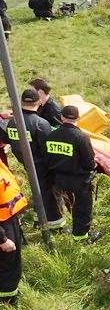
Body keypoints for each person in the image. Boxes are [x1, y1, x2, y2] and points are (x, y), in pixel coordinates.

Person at [0, 89, 64, 231]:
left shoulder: (12, 122)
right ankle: (55, 225)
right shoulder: (41, 123)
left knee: (37, 190)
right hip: (42, 165)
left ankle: (38, 218)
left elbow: (7, 139)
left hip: (26, 163)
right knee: (49, 194)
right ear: (39, 102)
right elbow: (48, 149)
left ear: (21, 102)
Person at [45, 105, 100, 243]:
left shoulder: (51, 136)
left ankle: (62, 227)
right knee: (82, 209)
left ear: (61, 117)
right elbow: (89, 163)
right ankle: (81, 238)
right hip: (79, 182)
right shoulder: (81, 137)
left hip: (58, 180)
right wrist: (95, 166)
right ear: (78, 118)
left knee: (68, 204)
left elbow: (48, 158)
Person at [0, 158, 29, 305]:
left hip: (8, 217)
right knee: (8, 263)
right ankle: (8, 301)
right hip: (2, 226)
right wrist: (2, 240)